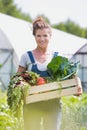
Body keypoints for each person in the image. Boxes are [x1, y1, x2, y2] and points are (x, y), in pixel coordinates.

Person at [17, 16, 82, 130]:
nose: (42, 39)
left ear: (50, 36)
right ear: (34, 36)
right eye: (38, 36)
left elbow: (71, 77)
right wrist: (21, 85)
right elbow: (17, 79)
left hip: (53, 104)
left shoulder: (58, 57)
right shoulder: (26, 57)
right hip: (32, 104)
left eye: (45, 35)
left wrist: (77, 86)